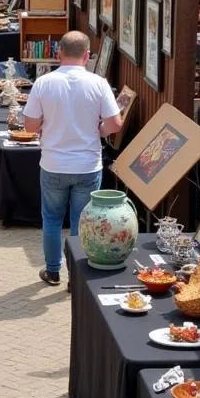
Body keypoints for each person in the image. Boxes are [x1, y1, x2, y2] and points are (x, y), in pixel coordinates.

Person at [23, 32, 123, 286]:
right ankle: (76, 276)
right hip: (88, 165)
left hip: (54, 163)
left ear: (59, 53)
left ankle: (53, 270)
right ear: (87, 56)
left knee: (52, 219)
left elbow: (30, 126)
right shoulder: (98, 83)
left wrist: (47, 123)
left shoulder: (44, 83)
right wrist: (98, 131)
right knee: (82, 222)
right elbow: (115, 123)